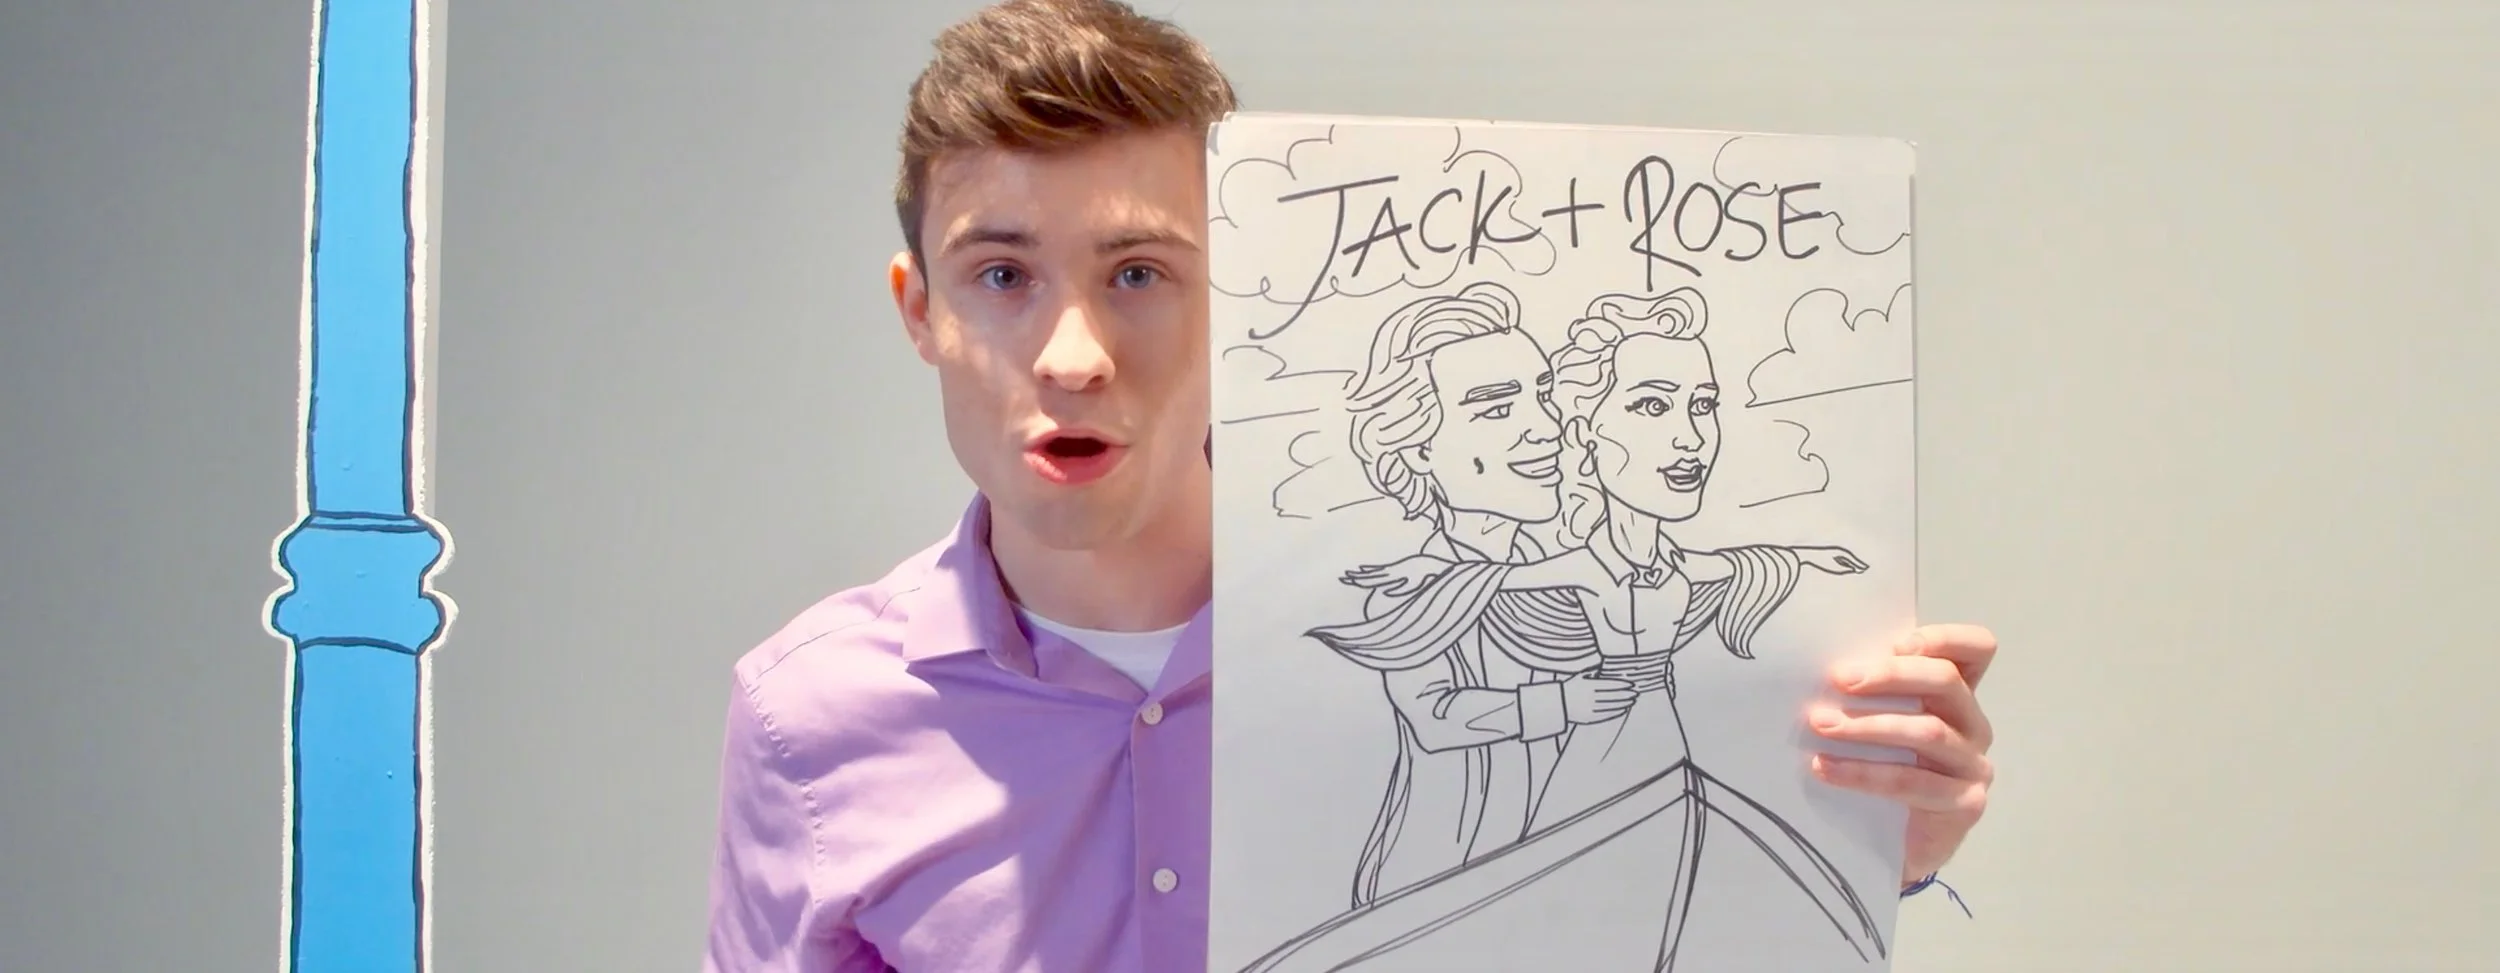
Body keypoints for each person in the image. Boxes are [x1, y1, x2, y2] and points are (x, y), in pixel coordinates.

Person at [700, 2, 2000, 971]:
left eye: (1139, 273)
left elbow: (1629, 912)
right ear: (918, 309)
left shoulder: (1456, 623)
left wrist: (1870, 848)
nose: (1075, 355)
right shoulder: (810, 722)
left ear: (1240, 295)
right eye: (1001, 275)